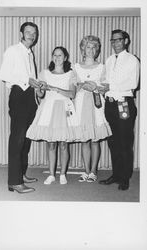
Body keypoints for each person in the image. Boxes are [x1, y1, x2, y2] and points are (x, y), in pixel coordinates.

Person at [26, 46, 81, 185]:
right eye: (55, 55)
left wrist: (54, 88)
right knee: (51, 144)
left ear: (65, 58)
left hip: (65, 109)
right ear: (52, 57)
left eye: (60, 55)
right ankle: (51, 174)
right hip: (48, 109)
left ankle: (62, 174)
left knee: (63, 144)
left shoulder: (70, 74)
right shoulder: (44, 73)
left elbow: (72, 94)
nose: (57, 58)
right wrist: (39, 88)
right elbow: (40, 94)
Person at [0, 22, 41, 193]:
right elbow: (3, 75)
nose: (31, 35)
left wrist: (37, 86)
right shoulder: (12, 50)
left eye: (34, 32)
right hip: (19, 96)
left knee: (26, 138)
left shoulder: (30, 53)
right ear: (21, 34)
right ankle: (14, 181)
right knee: (17, 139)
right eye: (28, 32)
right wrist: (27, 80)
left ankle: (21, 174)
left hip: (30, 97)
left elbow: (30, 77)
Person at [99, 29, 140, 190]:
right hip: (109, 105)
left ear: (126, 41)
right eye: (113, 40)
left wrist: (111, 86)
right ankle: (116, 174)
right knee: (113, 142)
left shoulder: (132, 60)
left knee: (124, 141)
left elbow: (133, 84)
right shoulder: (109, 60)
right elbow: (104, 80)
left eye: (118, 40)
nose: (115, 43)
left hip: (124, 104)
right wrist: (101, 87)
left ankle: (125, 177)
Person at [73, 35, 112, 182]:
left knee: (95, 139)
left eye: (94, 47)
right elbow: (73, 87)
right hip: (81, 104)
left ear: (97, 50)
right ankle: (86, 170)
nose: (91, 50)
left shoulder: (102, 67)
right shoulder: (76, 67)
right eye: (88, 47)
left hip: (96, 104)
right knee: (84, 140)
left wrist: (96, 87)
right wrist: (81, 85)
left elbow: (105, 88)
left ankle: (93, 171)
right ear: (83, 48)